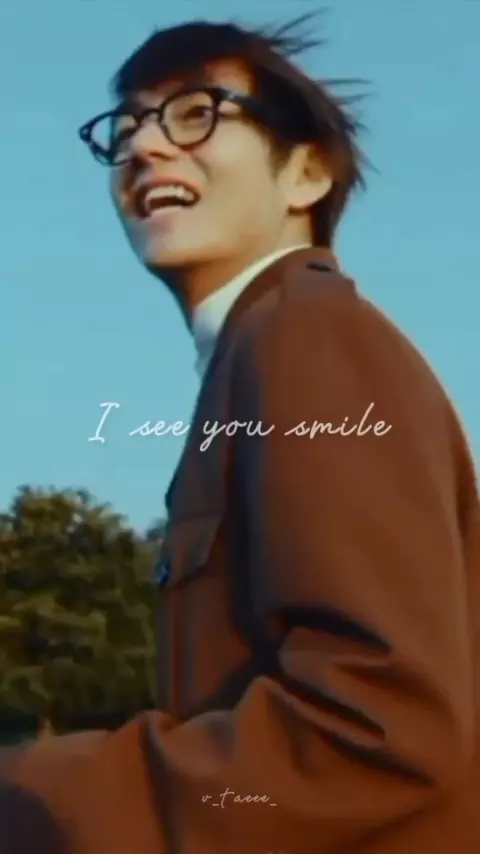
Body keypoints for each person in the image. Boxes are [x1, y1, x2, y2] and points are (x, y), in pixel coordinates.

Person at [1, 15, 480, 854]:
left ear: (306, 174)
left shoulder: (308, 336)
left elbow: (379, 729)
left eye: (195, 114)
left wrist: (39, 800)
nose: (145, 147)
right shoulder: (258, 354)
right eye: (125, 128)